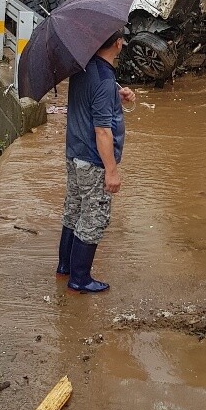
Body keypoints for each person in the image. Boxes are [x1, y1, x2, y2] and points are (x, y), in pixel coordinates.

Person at [56, 30, 135, 293]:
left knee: (73, 210)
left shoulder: (84, 67)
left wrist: (118, 95)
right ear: (117, 43)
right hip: (92, 159)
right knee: (94, 217)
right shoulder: (103, 78)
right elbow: (103, 131)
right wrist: (111, 171)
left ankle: (65, 267)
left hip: (74, 154)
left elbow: (92, 99)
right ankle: (80, 278)